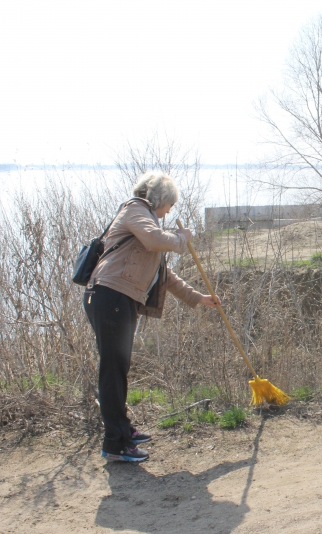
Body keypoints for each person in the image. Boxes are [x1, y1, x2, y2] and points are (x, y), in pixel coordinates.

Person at [84, 172, 220, 462]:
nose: (169, 211)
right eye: (169, 205)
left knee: (118, 369)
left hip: (118, 300)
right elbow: (154, 239)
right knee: (112, 371)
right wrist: (181, 238)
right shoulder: (135, 210)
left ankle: (123, 432)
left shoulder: (149, 222)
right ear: (159, 198)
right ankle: (115, 444)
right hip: (109, 297)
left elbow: (164, 277)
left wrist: (199, 298)